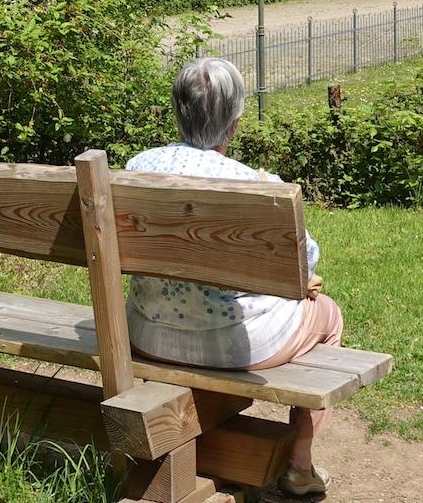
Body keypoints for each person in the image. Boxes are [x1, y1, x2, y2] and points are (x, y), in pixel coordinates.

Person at [124, 57, 340, 499]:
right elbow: (306, 261)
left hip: (146, 332)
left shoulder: (135, 167)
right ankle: (300, 466)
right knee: (328, 315)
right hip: (237, 344)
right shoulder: (257, 184)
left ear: (179, 110)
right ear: (235, 122)